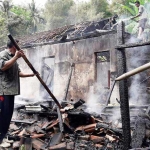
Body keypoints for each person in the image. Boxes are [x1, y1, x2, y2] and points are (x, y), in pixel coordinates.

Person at [0, 40, 35, 148]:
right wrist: (15, 57)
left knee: (8, 115)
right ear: (13, 46)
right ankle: (0, 140)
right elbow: (2, 67)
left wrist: (31, 74)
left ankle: (3, 136)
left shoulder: (13, 57)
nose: (20, 49)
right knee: (3, 115)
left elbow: (18, 72)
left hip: (11, 91)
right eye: (18, 46)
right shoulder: (3, 55)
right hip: (3, 91)